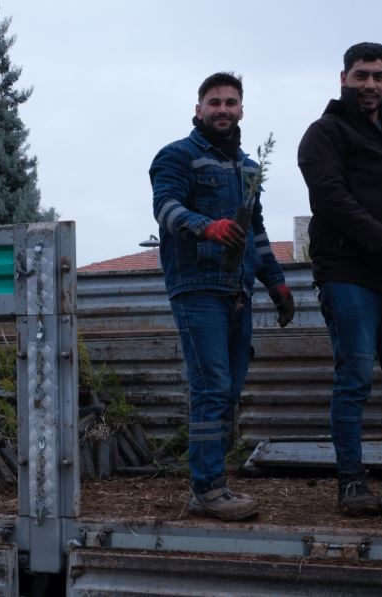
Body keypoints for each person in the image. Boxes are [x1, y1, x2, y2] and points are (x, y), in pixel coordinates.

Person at [297, 42, 382, 515]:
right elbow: (332, 200)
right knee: (354, 376)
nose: (370, 85)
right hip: (347, 272)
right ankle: (352, 481)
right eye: (361, 76)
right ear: (343, 79)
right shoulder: (323, 133)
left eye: (378, 76)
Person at [150, 72, 295, 521]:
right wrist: (204, 226)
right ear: (198, 109)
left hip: (238, 290)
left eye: (231, 103)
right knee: (211, 387)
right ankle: (207, 488)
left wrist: (276, 281)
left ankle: (215, 481)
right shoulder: (177, 156)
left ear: (241, 111)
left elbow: (257, 230)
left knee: (228, 390)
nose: (222, 110)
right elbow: (166, 207)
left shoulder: (248, 168)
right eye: (214, 102)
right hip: (196, 287)